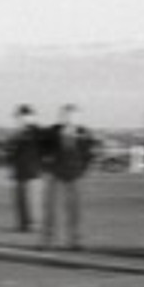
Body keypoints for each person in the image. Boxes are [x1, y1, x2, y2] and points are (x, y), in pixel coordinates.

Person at [39, 103, 96, 250]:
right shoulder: (51, 132)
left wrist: (82, 171)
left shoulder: (84, 133)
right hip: (55, 176)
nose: (70, 118)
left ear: (78, 117)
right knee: (51, 210)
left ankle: (75, 241)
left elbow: (89, 155)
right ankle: (47, 241)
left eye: (73, 115)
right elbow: (41, 150)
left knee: (75, 211)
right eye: (66, 115)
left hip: (75, 177)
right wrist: (47, 167)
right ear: (61, 116)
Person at [6, 104, 44, 232]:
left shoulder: (37, 132)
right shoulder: (17, 134)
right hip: (19, 172)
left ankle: (34, 225)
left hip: (33, 172)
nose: (19, 120)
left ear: (31, 117)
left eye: (22, 117)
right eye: (18, 117)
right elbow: (11, 152)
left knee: (32, 201)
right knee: (20, 201)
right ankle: (23, 225)